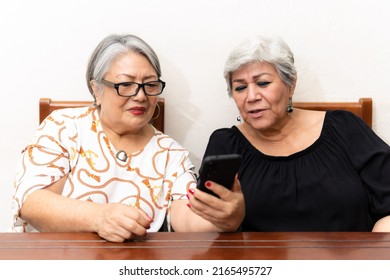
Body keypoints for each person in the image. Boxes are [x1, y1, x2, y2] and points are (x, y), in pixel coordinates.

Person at [11, 34, 244, 242]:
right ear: (96, 89)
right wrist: (99, 217)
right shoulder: (64, 127)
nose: (141, 96)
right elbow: (32, 202)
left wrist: (222, 219)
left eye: (150, 85)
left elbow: (184, 216)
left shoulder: (170, 153)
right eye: (126, 84)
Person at [189, 35, 390, 232]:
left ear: (291, 84)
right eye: (240, 87)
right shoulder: (226, 145)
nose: (251, 97)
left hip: (349, 262)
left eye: (263, 83)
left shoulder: (344, 128)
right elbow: (211, 225)